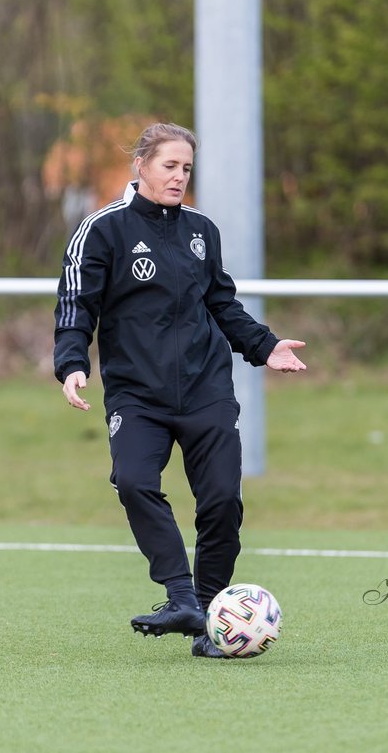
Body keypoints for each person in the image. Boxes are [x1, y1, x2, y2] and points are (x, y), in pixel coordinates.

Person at [53, 122, 307, 659]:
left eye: (187, 168)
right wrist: (73, 362)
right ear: (141, 165)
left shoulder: (200, 230)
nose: (179, 177)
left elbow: (222, 303)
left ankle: (208, 619)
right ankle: (181, 596)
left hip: (205, 389)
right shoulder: (102, 230)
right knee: (134, 480)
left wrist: (265, 347)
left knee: (221, 503)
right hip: (137, 396)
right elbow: (77, 304)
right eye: (169, 165)